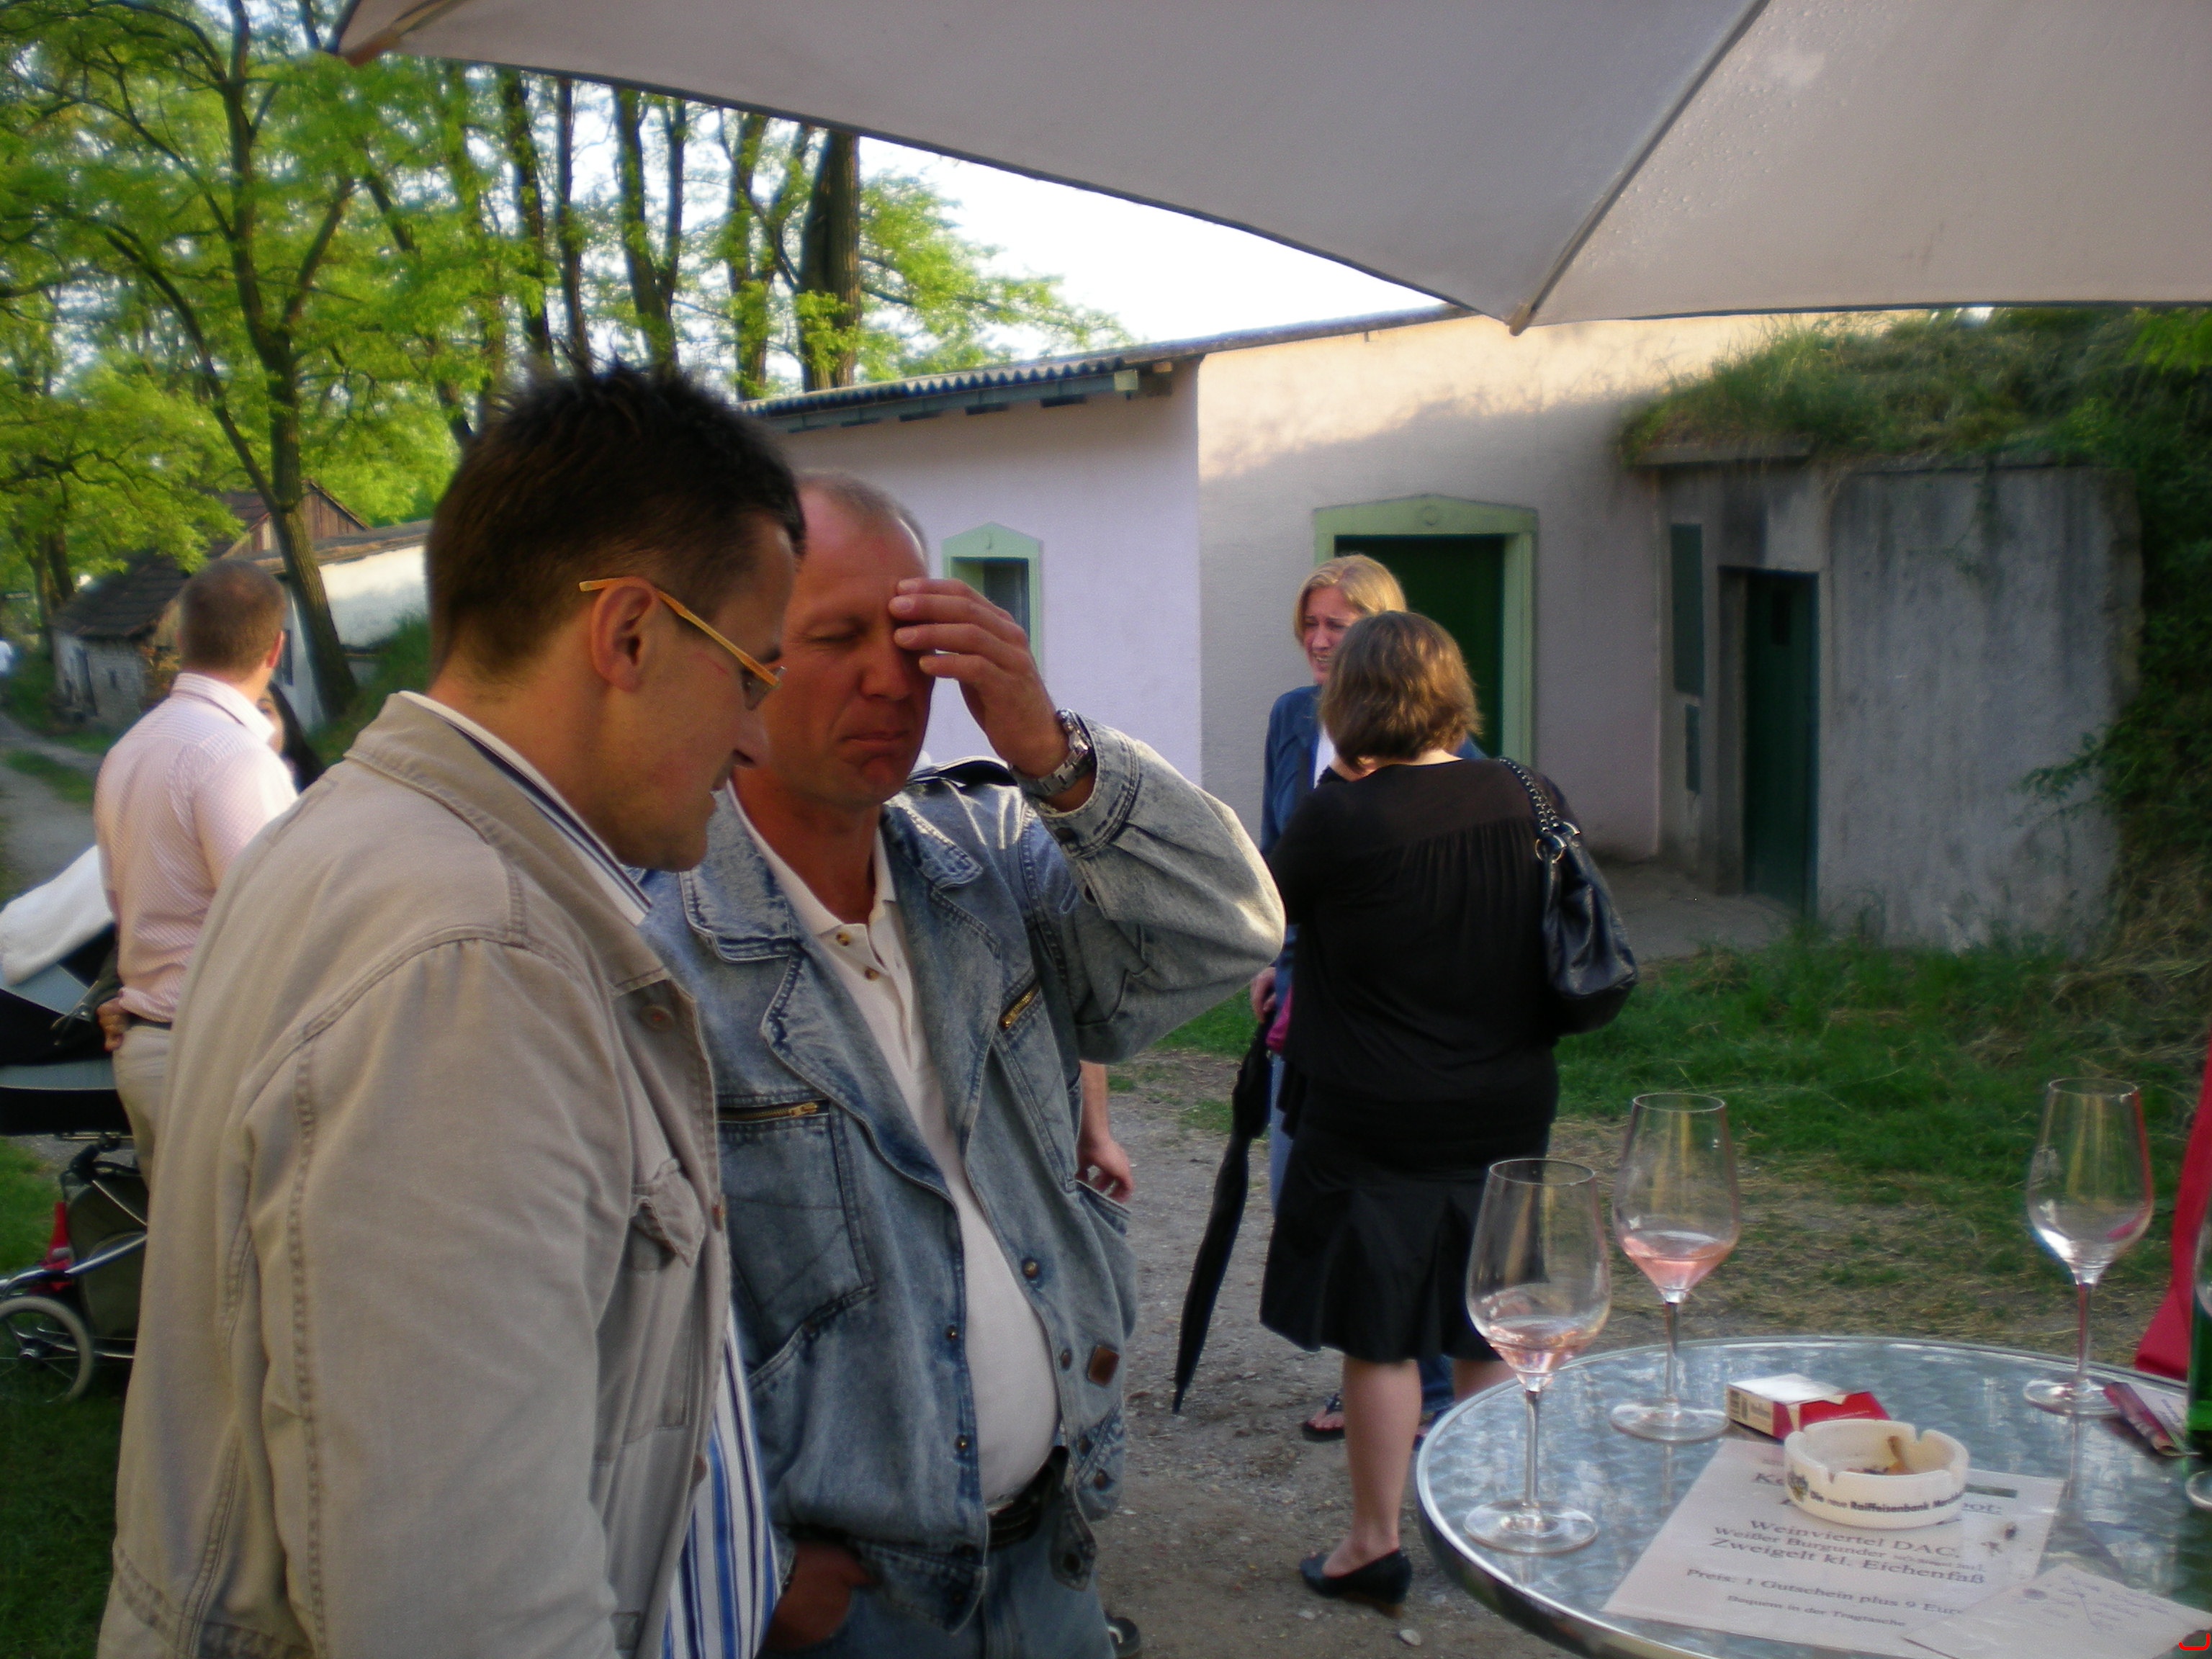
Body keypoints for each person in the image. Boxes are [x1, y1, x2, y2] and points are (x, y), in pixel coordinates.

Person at [100, 367, 801, 1659]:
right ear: (630, 635)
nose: (756, 737)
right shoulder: (474, 962)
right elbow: (463, 1610)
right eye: (753, 673)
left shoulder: (351, 834)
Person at [639, 472, 1281, 1658]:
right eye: (837, 637)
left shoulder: (976, 853)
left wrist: (1055, 751)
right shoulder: (654, 946)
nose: (892, 680)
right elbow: (599, 1333)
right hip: (849, 1615)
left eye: (913, 638)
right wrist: (749, 1566)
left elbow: (1227, 926)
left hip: (1051, 1554)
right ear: (733, 660)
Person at [1258, 611, 1563, 1614]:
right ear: (1450, 695)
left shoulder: (1340, 818)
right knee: (1485, 1324)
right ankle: (1479, 1535)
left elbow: (1266, 917)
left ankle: (1374, 1544)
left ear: (1351, 703)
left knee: (1382, 1334)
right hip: (1505, 1105)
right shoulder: (1529, 793)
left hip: (1373, 1111)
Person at [1251, 555, 1477, 1442]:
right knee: (1302, 1189)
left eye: (1336, 627)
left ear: (1380, 636)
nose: (1317, 641)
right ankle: (1378, 1368)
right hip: (1307, 989)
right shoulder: (1290, 718)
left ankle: (1421, 1387)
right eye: (1308, 624)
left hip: (1398, 1013)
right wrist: (1276, 956)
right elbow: (1278, 852)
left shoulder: (1461, 761)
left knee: (1394, 1208)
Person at [91, 558, 296, 1183]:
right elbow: (275, 928)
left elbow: (122, 905)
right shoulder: (237, 758)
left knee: (180, 1244)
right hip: (213, 1055)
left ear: (181, 639)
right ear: (276, 648)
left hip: (149, 1046)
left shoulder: (128, 749)